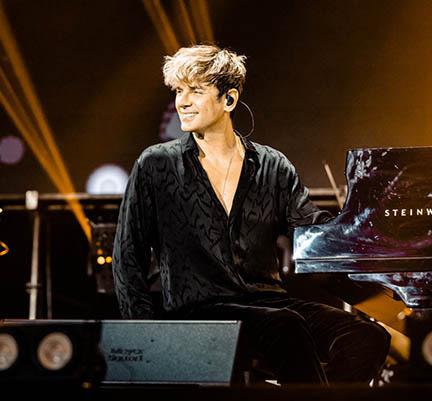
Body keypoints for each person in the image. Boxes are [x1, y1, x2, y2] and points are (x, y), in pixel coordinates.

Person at [112, 44, 390, 384]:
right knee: (284, 325)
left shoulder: (273, 165)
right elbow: (127, 257)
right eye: (178, 91)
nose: (182, 101)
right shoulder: (156, 164)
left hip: (269, 303)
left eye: (195, 91)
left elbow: (313, 232)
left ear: (229, 99)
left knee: (367, 336)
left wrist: (370, 228)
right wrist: (145, 339)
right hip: (197, 311)